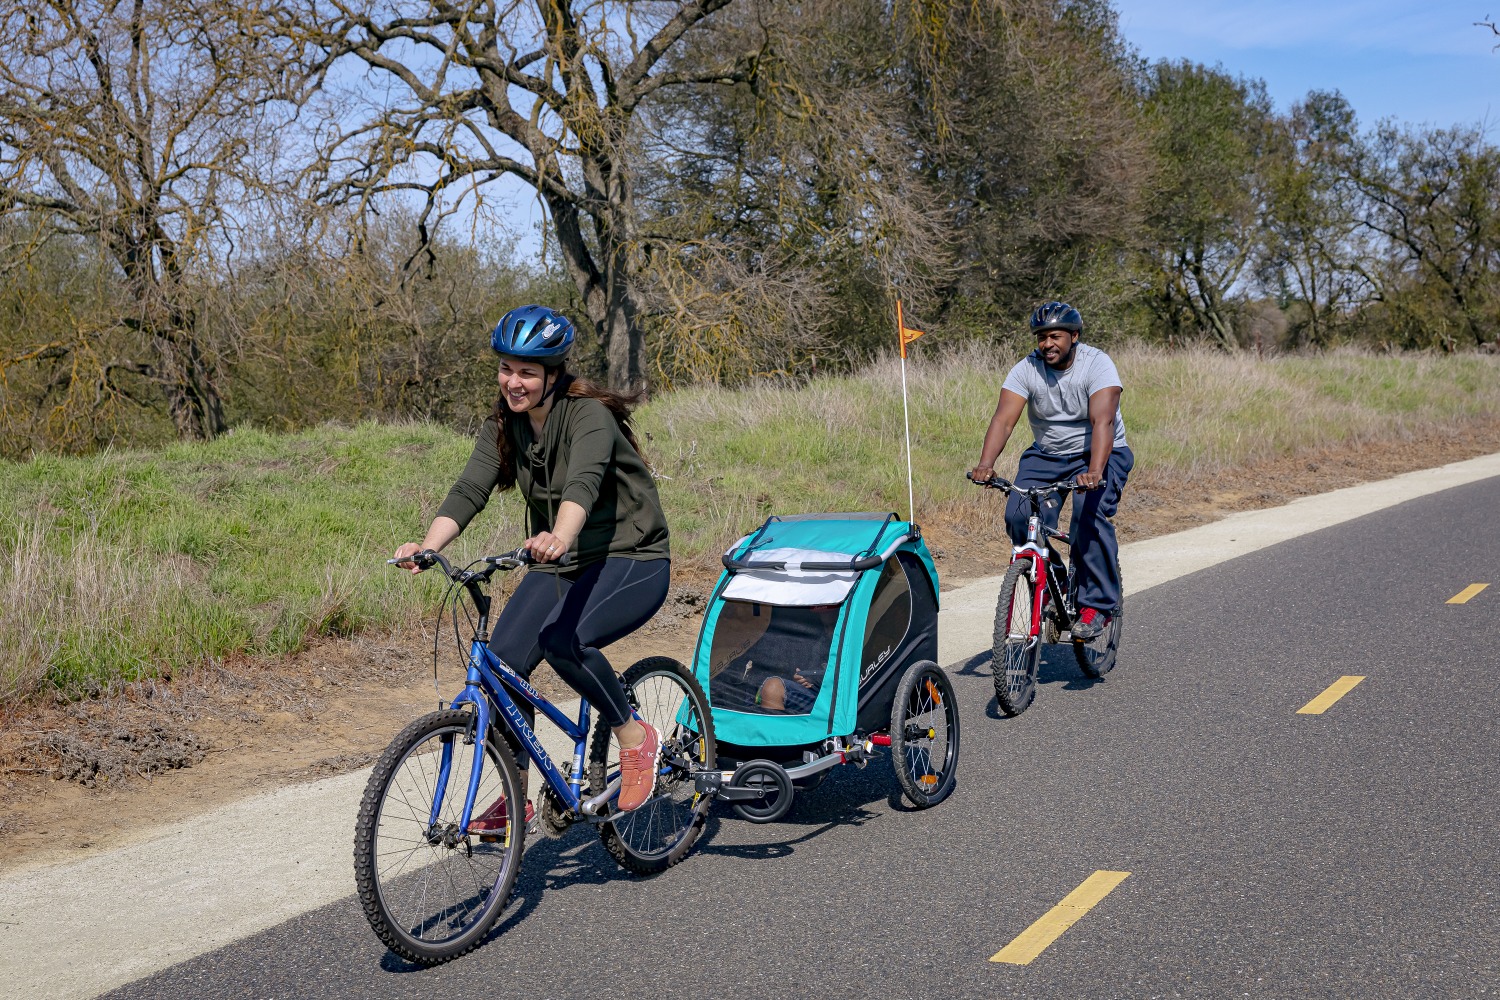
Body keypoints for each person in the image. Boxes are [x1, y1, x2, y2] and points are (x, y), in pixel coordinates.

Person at [393, 304, 670, 826]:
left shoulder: (589, 416)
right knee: (503, 663)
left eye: (526, 372)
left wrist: (559, 535)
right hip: (561, 560)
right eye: (505, 369)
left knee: (566, 642)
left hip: (631, 557)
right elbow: (471, 486)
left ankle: (635, 736)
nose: (513, 383)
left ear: (552, 374)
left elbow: (583, 483)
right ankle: (515, 795)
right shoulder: (504, 423)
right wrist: (429, 545)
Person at [968, 301, 1133, 640]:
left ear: (1074, 336)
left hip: (1101, 452)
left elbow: (1102, 421)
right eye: (1041, 337)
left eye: (1055, 336)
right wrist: (986, 464)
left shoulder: (1097, 364)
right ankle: (1054, 578)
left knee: (1088, 517)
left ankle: (1097, 605)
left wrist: (1095, 471)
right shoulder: (1027, 369)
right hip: (1048, 455)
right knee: (1018, 516)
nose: (1047, 344)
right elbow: (1003, 419)